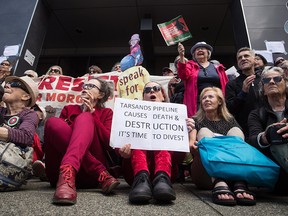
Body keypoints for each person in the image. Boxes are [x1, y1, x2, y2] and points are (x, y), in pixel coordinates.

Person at [44, 77, 120, 205]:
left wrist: (92, 115)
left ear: (101, 94)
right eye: (84, 86)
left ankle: (80, 171)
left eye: (91, 86)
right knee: (52, 123)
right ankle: (98, 172)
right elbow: (60, 138)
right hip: (61, 173)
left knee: (85, 117)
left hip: (88, 176)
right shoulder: (68, 109)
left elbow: (109, 143)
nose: (85, 88)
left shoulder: (107, 113)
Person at [118, 81, 193, 204]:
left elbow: (179, 158)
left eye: (156, 88)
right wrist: (123, 151)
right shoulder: (132, 116)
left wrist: (185, 133)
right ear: (143, 97)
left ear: (163, 96)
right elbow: (119, 143)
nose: (151, 91)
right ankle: (141, 178)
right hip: (134, 173)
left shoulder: (176, 118)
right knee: (138, 140)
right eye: (147, 90)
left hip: (168, 175)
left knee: (162, 141)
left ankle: (161, 179)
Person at [190, 86, 256, 206]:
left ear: (220, 101)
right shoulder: (195, 121)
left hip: (234, 175)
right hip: (207, 174)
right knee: (204, 131)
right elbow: (191, 147)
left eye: (210, 96)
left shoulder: (230, 120)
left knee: (236, 131)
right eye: (203, 98)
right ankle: (219, 180)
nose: (206, 100)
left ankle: (240, 181)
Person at [248, 66, 288, 194]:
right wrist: (267, 136)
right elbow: (253, 139)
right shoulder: (256, 114)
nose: (271, 82)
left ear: (285, 84)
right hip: (277, 170)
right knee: (276, 137)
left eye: (277, 78)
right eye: (266, 80)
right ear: (263, 90)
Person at [0, 75, 39, 190]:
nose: (8, 86)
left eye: (15, 85)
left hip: (9, 161)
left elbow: (26, 137)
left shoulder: (29, 114)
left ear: (25, 96)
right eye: (7, 84)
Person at [177, 42, 228, 117]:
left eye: (202, 48)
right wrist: (181, 56)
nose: (200, 50)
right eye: (197, 49)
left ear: (208, 53)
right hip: (197, 103)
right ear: (194, 55)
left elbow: (226, 85)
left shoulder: (218, 68)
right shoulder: (190, 66)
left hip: (216, 103)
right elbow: (183, 75)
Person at [225, 47, 262, 140]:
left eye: (246, 56)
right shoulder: (232, 84)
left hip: (266, 124)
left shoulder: (264, 79)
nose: (243, 59)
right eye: (240, 58)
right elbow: (230, 109)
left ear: (254, 59)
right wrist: (243, 92)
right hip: (245, 130)